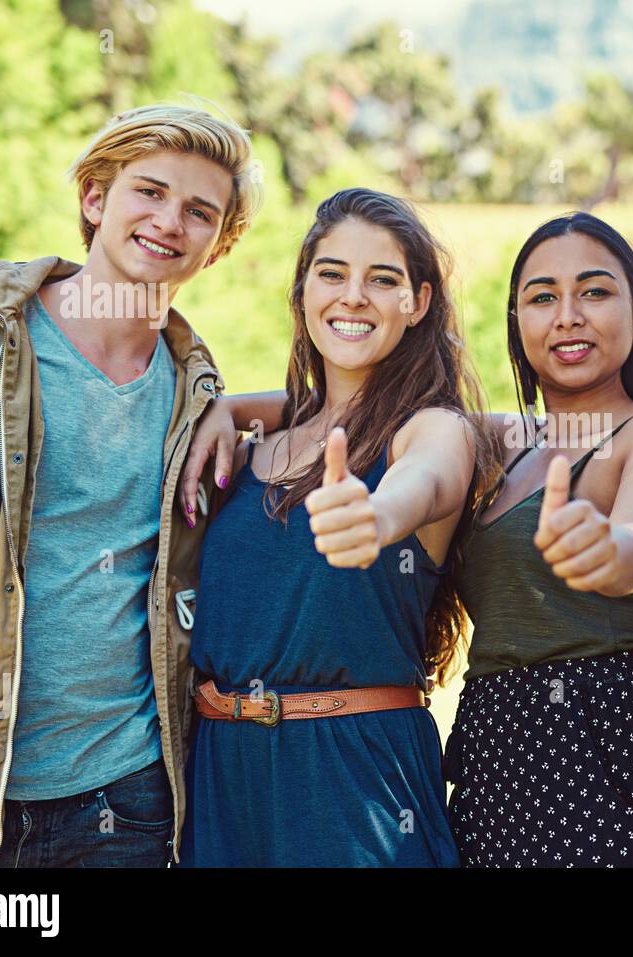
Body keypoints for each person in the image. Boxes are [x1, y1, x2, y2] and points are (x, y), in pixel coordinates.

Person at [186, 212, 633, 867]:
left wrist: (612, 550)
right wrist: (226, 406)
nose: (568, 316)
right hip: (499, 752)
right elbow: (368, 411)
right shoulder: (500, 440)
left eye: (595, 292)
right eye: (542, 297)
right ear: (516, 320)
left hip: (615, 742)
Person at [0, 104, 261, 866]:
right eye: (149, 192)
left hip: (123, 801)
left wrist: (232, 403)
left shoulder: (195, 397)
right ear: (95, 198)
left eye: (200, 211)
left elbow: (358, 404)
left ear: (219, 244)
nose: (170, 221)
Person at [180, 188, 490, 866]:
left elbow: (426, 480)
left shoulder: (432, 428)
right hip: (222, 775)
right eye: (332, 273)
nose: (353, 296)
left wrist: (377, 513)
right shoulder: (263, 434)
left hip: (352, 780)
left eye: (383, 279)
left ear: (419, 302)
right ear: (302, 292)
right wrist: (213, 405)